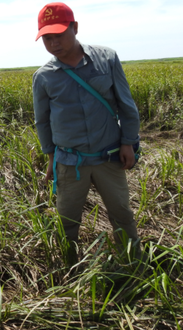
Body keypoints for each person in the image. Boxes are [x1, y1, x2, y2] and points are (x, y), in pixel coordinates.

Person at [32, 2, 141, 265]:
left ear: (75, 28)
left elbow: (126, 105)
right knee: (67, 219)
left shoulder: (107, 59)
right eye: (47, 37)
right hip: (70, 162)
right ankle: (70, 268)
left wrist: (129, 142)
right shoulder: (44, 77)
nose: (54, 42)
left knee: (122, 214)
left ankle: (133, 264)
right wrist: (51, 158)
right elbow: (43, 122)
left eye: (59, 34)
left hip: (109, 156)